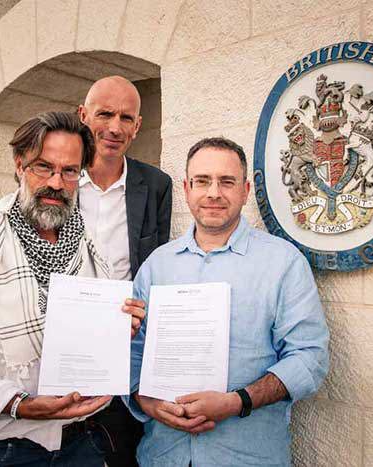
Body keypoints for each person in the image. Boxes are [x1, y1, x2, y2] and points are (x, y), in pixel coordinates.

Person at [0, 111, 146, 466]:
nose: (57, 183)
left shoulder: (95, 257)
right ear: (19, 165)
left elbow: (97, 349)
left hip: (83, 443)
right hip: (3, 449)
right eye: (43, 167)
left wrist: (121, 328)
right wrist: (19, 404)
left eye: (70, 171)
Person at [126, 137, 330, 466]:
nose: (213, 193)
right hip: (163, 455)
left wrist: (237, 402)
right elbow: (133, 349)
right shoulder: (157, 265)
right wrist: (145, 401)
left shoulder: (283, 263)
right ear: (186, 187)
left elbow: (310, 358)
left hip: (248, 456)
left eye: (227, 182)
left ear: (245, 190)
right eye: (202, 181)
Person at [78, 75, 173, 466]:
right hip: (60, 343)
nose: (115, 127)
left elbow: (158, 269)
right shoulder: (59, 178)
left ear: (137, 126)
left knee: (120, 451)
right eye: (105, 114)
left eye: (126, 118)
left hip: (124, 348)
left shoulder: (156, 186)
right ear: (83, 116)